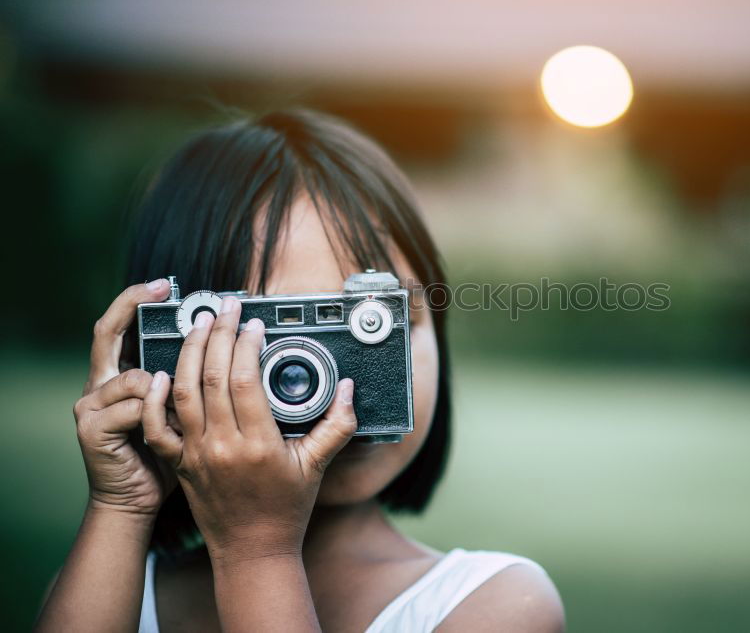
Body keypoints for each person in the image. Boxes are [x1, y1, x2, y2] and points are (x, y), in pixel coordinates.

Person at [36, 109, 565, 632]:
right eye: (268, 334)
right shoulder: (107, 596)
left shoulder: (496, 605)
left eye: (374, 322)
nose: (327, 385)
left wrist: (257, 550)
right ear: (161, 350)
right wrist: (122, 505)